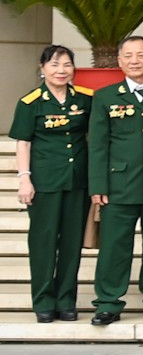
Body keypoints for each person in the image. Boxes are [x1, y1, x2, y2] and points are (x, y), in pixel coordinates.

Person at [89, 36, 143, 325]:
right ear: (119, 61)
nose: (134, 60)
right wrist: (98, 186)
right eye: (128, 56)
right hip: (119, 186)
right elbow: (98, 145)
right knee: (114, 247)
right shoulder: (105, 96)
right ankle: (108, 302)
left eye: (140, 55)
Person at [11, 45, 91, 323]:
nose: (61, 71)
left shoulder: (85, 98)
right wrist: (24, 179)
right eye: (55, 65)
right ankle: (43, 300)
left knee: (71, 244)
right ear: (42, 68)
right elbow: (23, 142)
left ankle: (66, 300)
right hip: (45, 182)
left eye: (67, 65)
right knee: (44, 242)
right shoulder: (30, 102)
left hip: (78, 181)